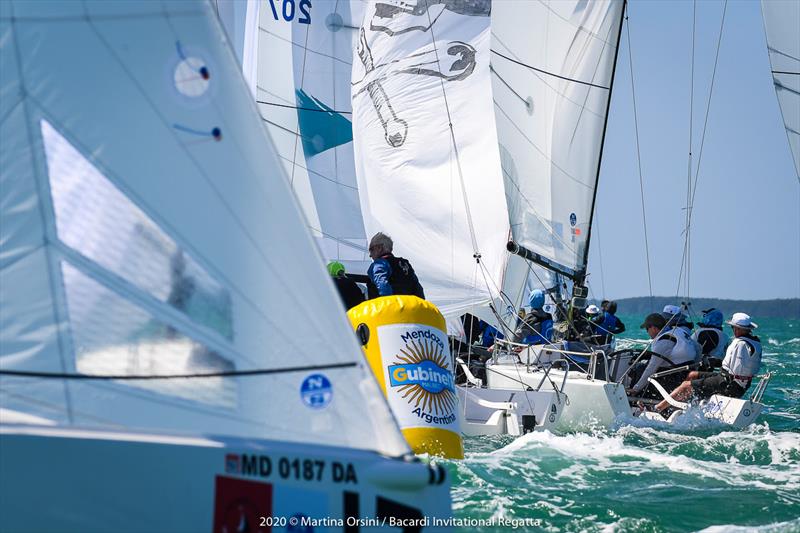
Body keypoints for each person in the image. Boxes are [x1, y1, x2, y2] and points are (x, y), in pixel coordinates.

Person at [653, 312, 762, 412]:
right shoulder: (755, 342)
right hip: (737, 382)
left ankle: (658, 408)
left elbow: (735, 370)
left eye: (734, 327)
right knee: (692, 375)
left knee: (686, 385)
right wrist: (717, 362)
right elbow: (741, 366)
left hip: (728, 383)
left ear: (738, 329)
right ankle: (680, 405)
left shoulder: (739, 343)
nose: (733, 330)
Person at [627, 311, 700, 397]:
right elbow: (698, 348)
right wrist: (695, 367)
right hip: (686, 372)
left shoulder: (665, 340)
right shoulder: (679, 331)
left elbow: (652, 367)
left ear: (654, 328)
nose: (647, 332)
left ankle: (633, 397)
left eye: (647, 329)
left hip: (673, 379)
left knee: (640, 367)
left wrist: (637, 388)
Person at [366, 232, 425, 300]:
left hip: (391, 307)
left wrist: (390, 303)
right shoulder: (405, 264)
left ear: (379, 248)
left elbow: (382, 283)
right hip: (410, 306)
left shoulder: (380, 264)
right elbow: (418, 288)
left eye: (371, 249)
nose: (370, 255)